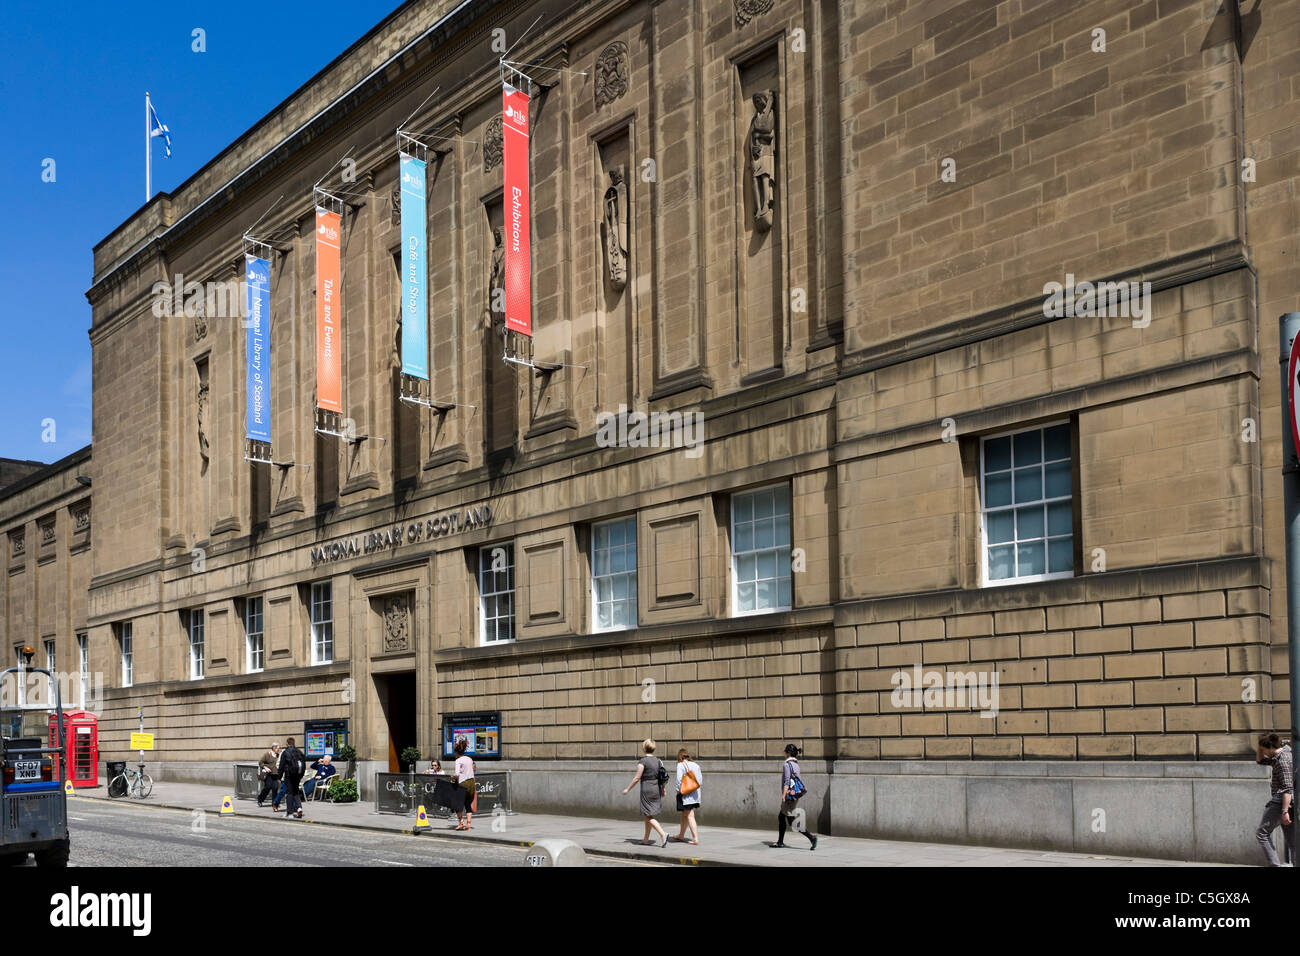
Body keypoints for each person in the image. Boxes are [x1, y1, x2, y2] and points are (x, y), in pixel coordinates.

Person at [1255, 732, 1294, 866]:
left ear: (1270, 747)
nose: (1263, 753)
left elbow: (1287, 787)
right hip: (1287, 803)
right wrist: (1259, 747)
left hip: (1280, 803)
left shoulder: (1282, 760)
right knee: (1292, 840)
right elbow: (1260, 761)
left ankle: (1274, 865)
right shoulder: (1281, 755)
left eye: (1264, 750)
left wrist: (1284, 811)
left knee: (1262, 833)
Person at [622, 739, 668, 847]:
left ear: (644, 748)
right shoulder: (659, 761)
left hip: (647, 789)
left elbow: (637, 778)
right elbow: (663, 776)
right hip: (656, 789)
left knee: (647, 816)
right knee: (648, 814)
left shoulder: (643, 761)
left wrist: (627, 789)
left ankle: (663, 834)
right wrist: (663, 788)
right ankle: (645, 839)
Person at [772, 743, 817, 850]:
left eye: (785, 752)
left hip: (789, 797)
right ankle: (780, 842)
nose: (784, 753)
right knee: (782, 817)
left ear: (787, 753)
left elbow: (787, 781)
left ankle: (812, 837)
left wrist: (784, 795)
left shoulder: (787, 764)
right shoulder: (796, 764)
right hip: (794, 795)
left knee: (791, 822)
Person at [674, 748, 702, 845]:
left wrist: (679, 792)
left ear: (680, 756)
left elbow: (678, 782)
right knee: (684, 815)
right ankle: (681, 835)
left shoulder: (680, 765)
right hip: (695, 795)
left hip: (685, 795)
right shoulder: (696, 765)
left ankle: (695, 839)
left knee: (690, 816)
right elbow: (700, 781)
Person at [279, 736, 306, 820]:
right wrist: (301, 775)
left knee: (289, 793)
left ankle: (289, 813)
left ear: (287, 744)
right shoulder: (299, 752)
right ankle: (299, 808)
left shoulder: (285, 752)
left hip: (289, 776)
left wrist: (279, 777)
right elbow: (304, 765)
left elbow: (281, 766)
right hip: (297, 775)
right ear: (294, 743)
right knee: (296, 792)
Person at [452, 738, 476, 831]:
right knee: (467, 804)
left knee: (456, 805)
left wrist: (453, 778)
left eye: (454, 752)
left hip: (463, 784)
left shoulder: (458, 760)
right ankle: (468, 825)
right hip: (471, 783)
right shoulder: (469, 759)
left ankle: (461, 823)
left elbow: (457, 774)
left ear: (456, 752)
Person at [256, 742, 281, 808]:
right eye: (278, 748)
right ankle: (260, 799)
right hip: (268, 775)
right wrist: (265, 767)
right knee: (268, 787)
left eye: (279, 748)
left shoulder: (278, 756)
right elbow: (260, 762)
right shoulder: (267, 754)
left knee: (275, 788)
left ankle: (274, 804)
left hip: (275, 775)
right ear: (273, 748)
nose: (279, 750)